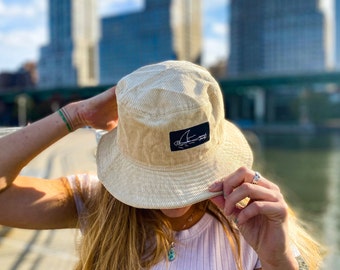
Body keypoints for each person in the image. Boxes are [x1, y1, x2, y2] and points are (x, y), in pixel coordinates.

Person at [0, 61, 322, 270]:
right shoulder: (98, 203)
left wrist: (278, 261)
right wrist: (74, 115)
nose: (177, 195)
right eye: (161, 172)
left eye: (184, 172)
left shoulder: (252, 223)